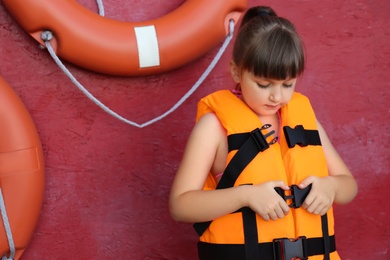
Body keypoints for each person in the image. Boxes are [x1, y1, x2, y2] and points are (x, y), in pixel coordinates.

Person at [169, 6, 358, 260]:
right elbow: (180, 205)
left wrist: (332, 186)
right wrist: (246, 195)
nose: (277, 96)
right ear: (237, 72)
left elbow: (349, 186)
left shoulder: (304, 119)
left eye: (288, 84)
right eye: (263, 84)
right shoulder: (213, 129)